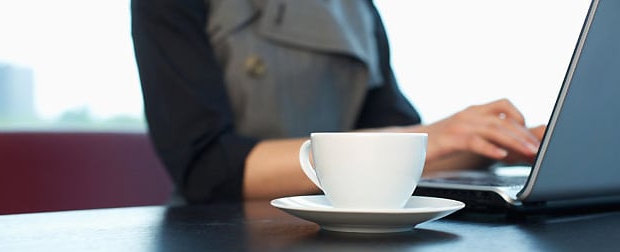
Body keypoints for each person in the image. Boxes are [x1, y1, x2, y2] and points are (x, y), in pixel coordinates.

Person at [131, 0, 545, 204]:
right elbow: (207, 170)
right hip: (220, 244)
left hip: (347, 232)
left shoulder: (353, 8)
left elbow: (400, 149)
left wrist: (504, 145)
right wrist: (432, 137)